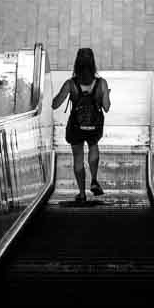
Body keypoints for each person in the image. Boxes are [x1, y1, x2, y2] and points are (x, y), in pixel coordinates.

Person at [51, 47, 110, 204]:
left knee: (78, 158)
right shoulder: (101, 83)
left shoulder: (71, 84)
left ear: (76, 64)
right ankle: (94, 180)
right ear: (93, 64)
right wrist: (106, 95)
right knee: (93, 146)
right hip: (94, 127)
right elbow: (107, 107)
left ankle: (82, 194)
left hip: (76, 127)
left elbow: (55, 104)